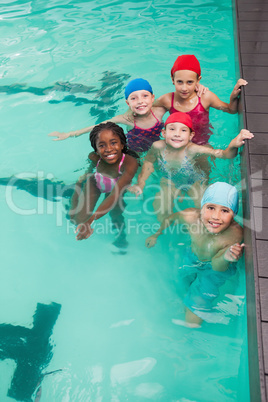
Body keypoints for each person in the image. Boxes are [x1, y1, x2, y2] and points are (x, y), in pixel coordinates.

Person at [145, 182, 245, 327]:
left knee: (195, 315)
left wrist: (226, 256)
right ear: (202, 207)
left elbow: (218, 267)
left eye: (225, 211)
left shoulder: (234, 234)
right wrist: (156, 234)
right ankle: (186, 298)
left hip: (215, 268)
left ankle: (186, 335)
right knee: (179, 281)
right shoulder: (191, 216)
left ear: (234, 214)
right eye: (210, 208)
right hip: (192, 256)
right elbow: (170, 219)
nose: (216, 216)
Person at [128, 112, 254, 222]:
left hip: (193, 181)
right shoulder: (157, 147)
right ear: (164, 133)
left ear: (191, 136)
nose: (177, 134)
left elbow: (222, 154)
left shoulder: (192, 149)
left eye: (183, 130)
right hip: (168, 180)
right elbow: (149, 163)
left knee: (203, 209)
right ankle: (166, 231)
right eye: (172, 129)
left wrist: (233, 144)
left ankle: (201, 233)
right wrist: (141, 183)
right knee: (161, 209)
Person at [49, 78, 166, 153]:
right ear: (127, 103)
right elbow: (98, 126)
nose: (140, 101)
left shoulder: (160, 111)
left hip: (159, 146)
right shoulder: (126, 119)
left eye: (145, 96)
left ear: (152, 98)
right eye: (134, 98)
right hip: (136, 150)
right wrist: (70, 134)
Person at [153, 54, 248, 145]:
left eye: (190, 82)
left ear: (198, 80)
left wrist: (233, 97)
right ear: (172, 80)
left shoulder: (205, 97)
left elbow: (230, 110)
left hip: (201, 143)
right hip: (176, 143)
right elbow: (147, 106)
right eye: (180, 82)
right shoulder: (167, 99)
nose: (184, 88)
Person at [70, 122, 139, 245]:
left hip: (117, 188)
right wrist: (85, 175)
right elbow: (90, 169)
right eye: (102, 145)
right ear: (96, 150)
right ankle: (70, 203)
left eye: (113, 143)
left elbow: (114, 195)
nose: (108, 149)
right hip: (96, 183)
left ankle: (121, 236)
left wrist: (90, 220)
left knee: (116, 214)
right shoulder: (94, 157)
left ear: (122, 144)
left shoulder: (130, 163)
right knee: (78, 220)